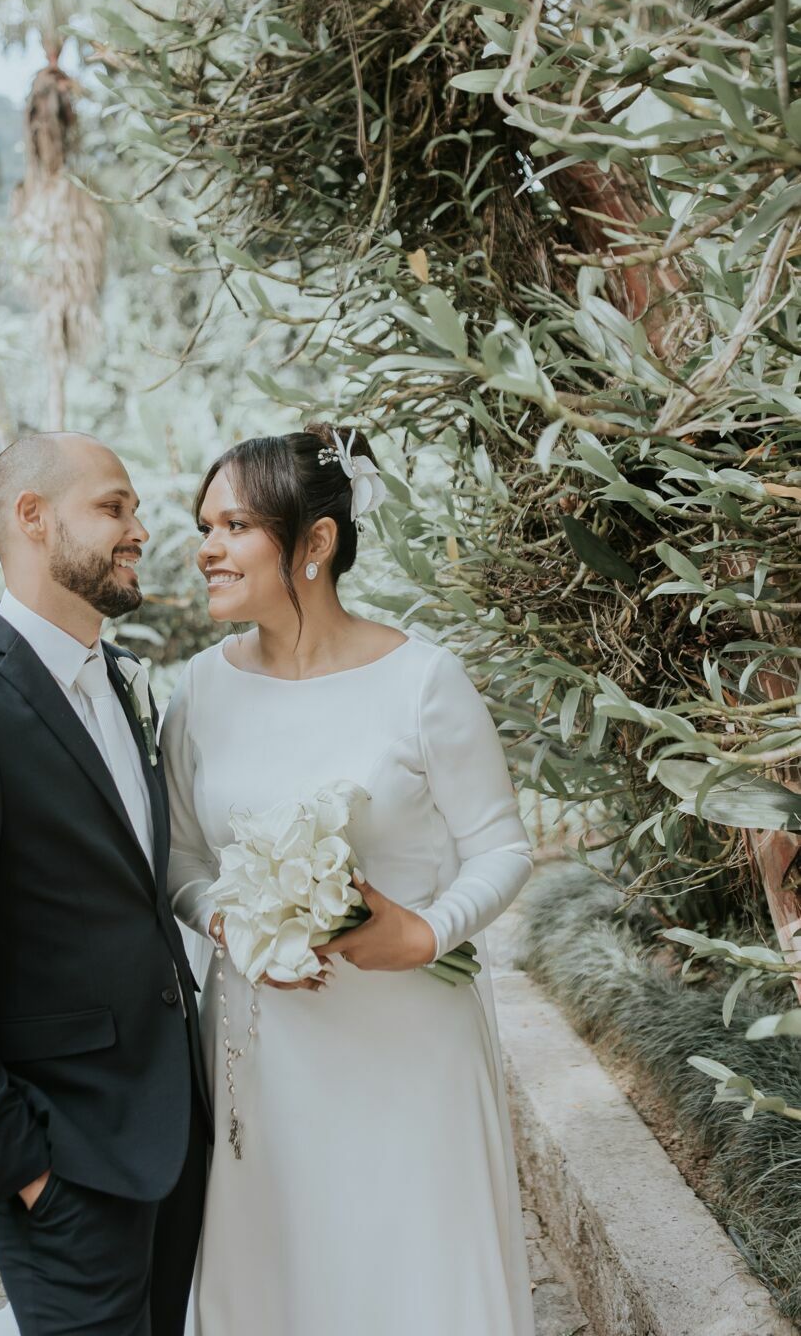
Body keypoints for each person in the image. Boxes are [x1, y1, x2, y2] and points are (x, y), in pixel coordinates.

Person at [162, 422, 537, 1336]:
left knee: (411, 1270)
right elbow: (180, 859)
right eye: (203, 525)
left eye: (234, 525)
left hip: (409, 1042)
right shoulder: (197, 693)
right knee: (282, 1275)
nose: (206, 547)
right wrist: (233, 925)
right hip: (265, 1049)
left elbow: (501, 846)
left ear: (315, 544)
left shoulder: (422, 682)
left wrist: (429, 931)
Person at [0, 432, 210, 1336]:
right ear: (32, 516)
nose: (139, 529)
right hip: (69, 1167)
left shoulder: (123, 681)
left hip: (172, 1135)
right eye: (114, 506)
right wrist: (24, 1171)